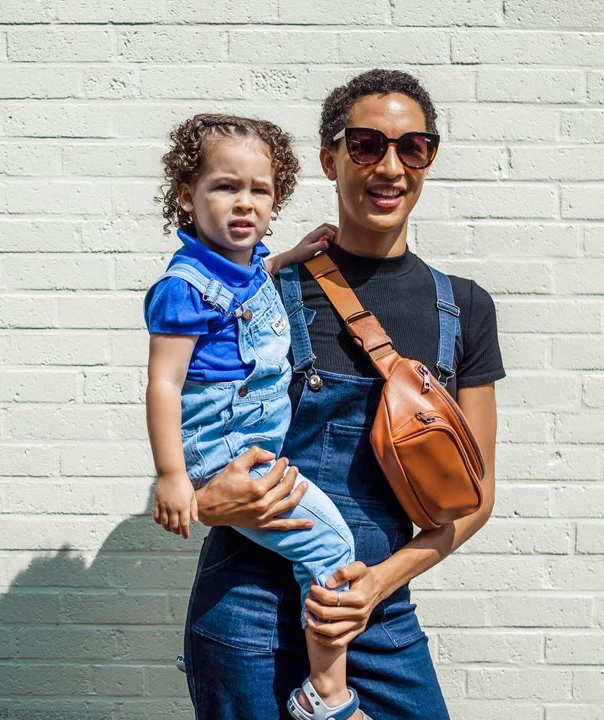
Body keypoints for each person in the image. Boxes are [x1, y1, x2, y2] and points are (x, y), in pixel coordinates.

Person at [182, 69, 505, 719]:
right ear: (330, 160)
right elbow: (202, 446)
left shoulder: (464, 308)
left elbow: (476, 497)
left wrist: (378, 583)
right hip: (250, 610)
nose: (390, 166)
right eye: (366, 145)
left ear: (428, 160)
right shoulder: (263, 293)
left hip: (375, 611)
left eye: (412, 148)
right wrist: (206, 499)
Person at [144, 112, 374, 719]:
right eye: (225, 186)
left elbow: (256, 282)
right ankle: (325, 695)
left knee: (316, 546)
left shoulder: (246, 263)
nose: (244, 203)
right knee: (331, 545)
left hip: (254, 445)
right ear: (186, 195)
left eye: (261, 190)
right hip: (224, 453)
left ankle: (240, 650)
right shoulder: (185, 287)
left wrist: (294, 254)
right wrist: (172, 476)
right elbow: (164, 383)